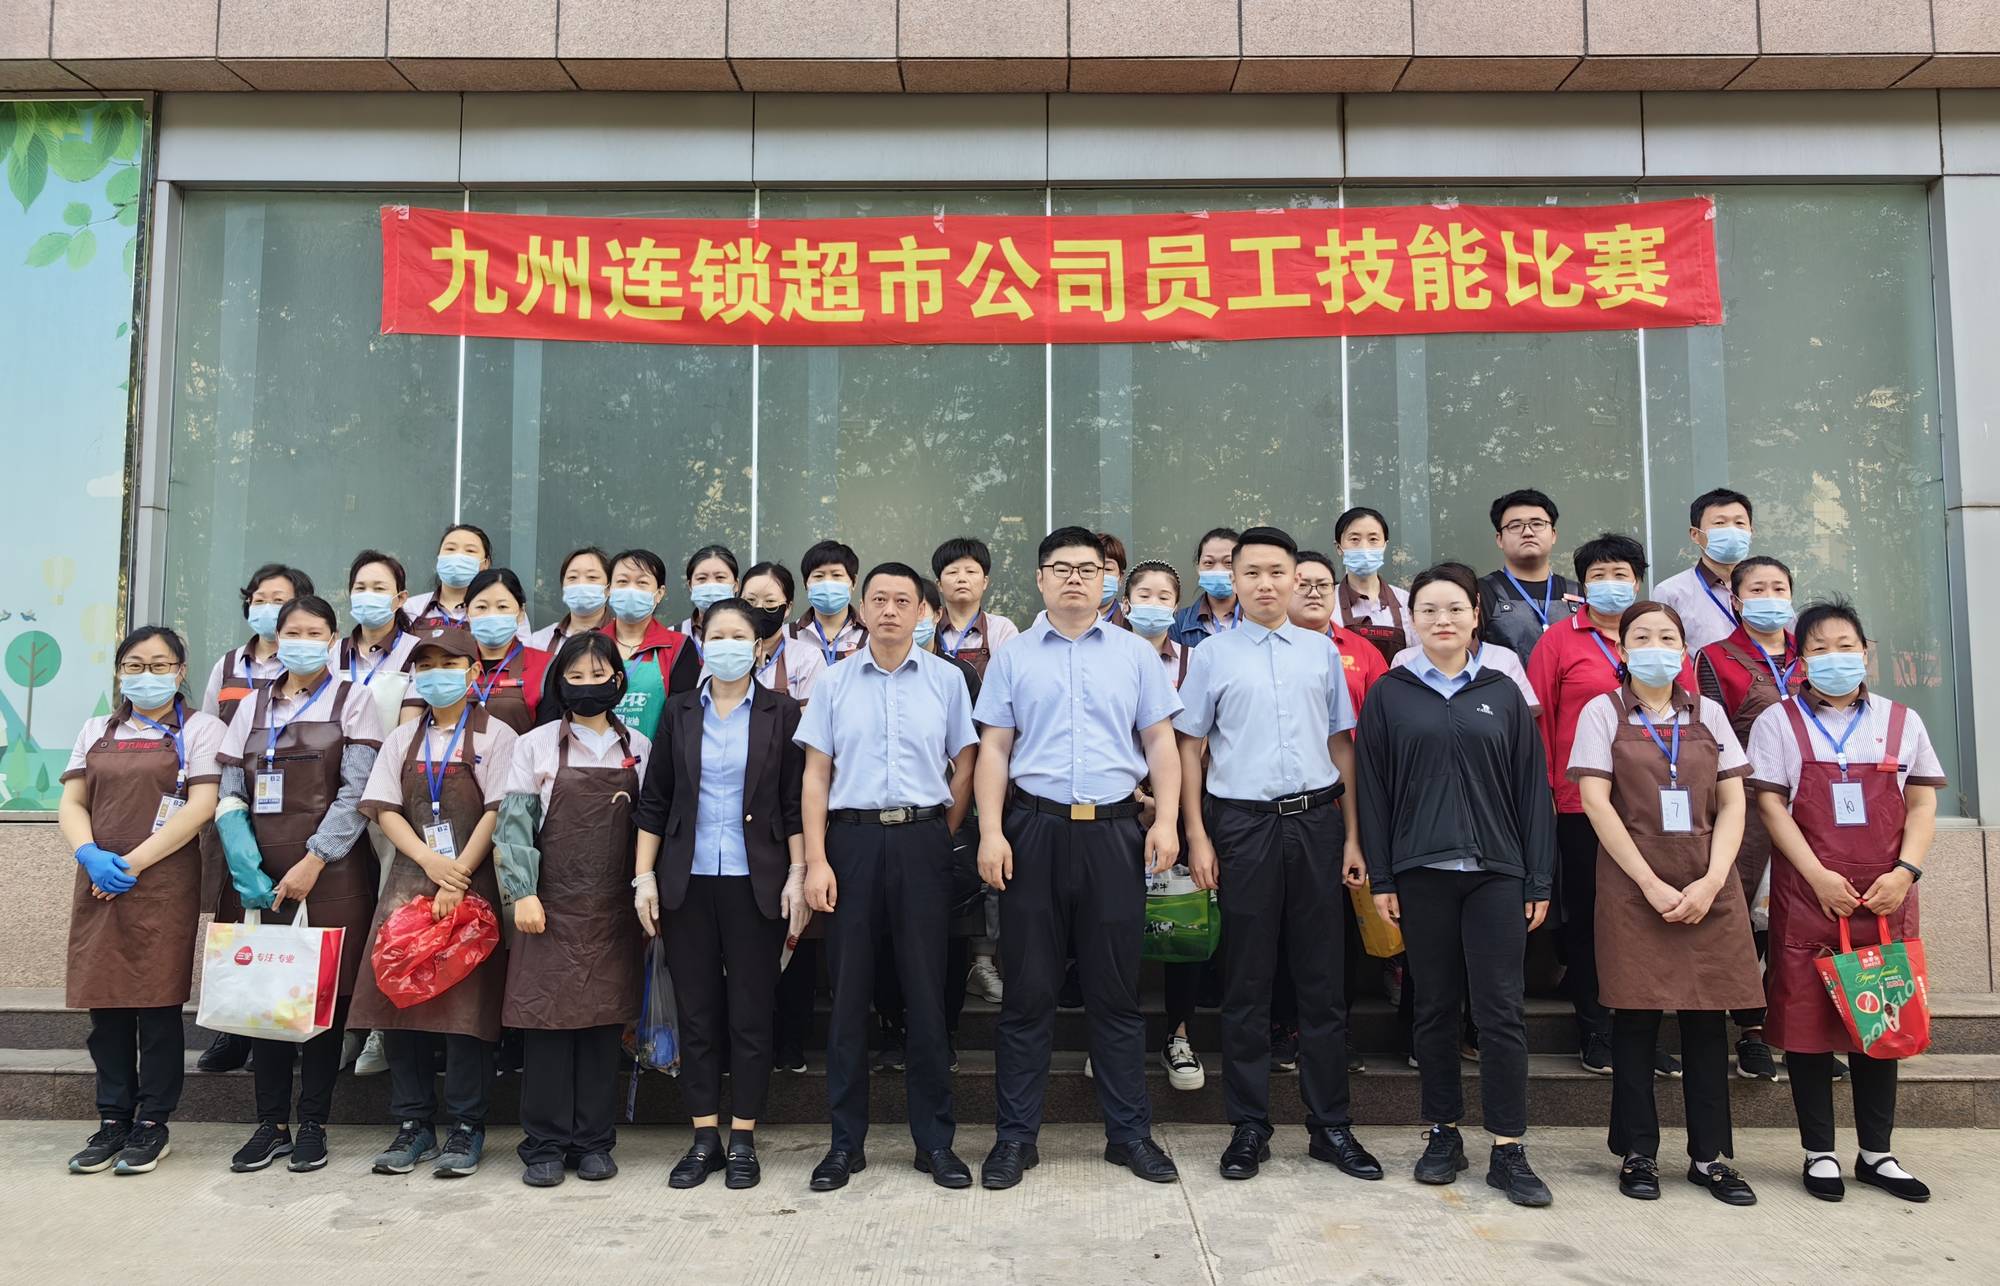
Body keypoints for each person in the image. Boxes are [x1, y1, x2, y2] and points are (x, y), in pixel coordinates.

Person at [974, 528, 1184, 1190]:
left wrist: (1168, 821)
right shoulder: (1012, 657)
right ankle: (1015, 1139)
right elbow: (995, 749)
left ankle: (1129, 1136)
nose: (1074, 578)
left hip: (1114, 835)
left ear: (1106, 581)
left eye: (1087, 569)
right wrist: (990, 832)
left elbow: (1161, 743)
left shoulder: (1135, 654)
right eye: (1060, 568)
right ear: (1040, 579)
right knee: (1028, 994)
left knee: (1115, 993)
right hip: (1033, 832)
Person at [1174, 526, 1379, 1185]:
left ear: (1296, 579)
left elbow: (1342, 745)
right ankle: (1249, 1126)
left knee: (1322, 981)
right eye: (1252, 573)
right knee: (1248, 981)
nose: (1265, 584)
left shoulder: (1320, 653)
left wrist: (1353, 836)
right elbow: (1189, 749)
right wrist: (1197, 835)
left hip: (1317, 822)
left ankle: (1331, 1125)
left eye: (1277, 572)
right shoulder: (1211, 656)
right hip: (1243, 827)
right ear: (1233, 580)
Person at [1355, 563, 1556, 1207]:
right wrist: (1383, 875)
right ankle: (1443, 1133)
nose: (1442, 620)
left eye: (1454, 609)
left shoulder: (1502, 689)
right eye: (1428, 610)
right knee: (1435, 1007)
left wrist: (1538, 877)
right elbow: (1373, 791)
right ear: (1412, 620)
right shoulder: (1391, 693)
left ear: (1475, 615)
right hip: (1422, 872)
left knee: (1500, 1012)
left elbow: (1532, 790)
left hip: (1498, 874)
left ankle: (1508, 1147)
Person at [1747, 599, 1945, 1203]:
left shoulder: (1901, 721)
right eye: (1819, 649)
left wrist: (1906, 873)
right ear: (1801, 660)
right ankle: (1819, 1153)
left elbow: (1922, 803)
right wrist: (1817, 876)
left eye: (1846, 646)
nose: (1835, 657)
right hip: (1810, 896)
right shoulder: (1778, 721)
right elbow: (1770, 804)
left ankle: (1877, 1154)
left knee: (1880, 1021)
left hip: (1886, 895)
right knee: (1807, 1027)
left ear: (1866, 653)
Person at [1571, 601, 1763, 1206]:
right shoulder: (1602, 712)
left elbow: (1734, 802)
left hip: (1710, 883)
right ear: (1622, 650)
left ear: (1683, 650)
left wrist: (1713, 880)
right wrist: (1650, 884)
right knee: (1636, 1021)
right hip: (1633, 888)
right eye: (1642, 637)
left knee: (1707, 1023)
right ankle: (1638, 1153)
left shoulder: (1708, 712)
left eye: (1667, 637)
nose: (1655, 646)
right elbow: (1595, 803)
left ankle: (1710, 1157)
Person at [796, 562, 978, 1192]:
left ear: (923, 610)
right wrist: (817, 859)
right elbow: (816, 775)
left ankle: (936, 1144)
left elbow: (965, 763)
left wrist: (941, 832)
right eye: (879, 599)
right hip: (850, 842)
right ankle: (845, 1145)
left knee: (926, 994)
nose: (891, 610)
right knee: (849, 996)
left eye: (904, 600)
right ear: (863, 607)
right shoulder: (834, 681)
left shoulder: (947, 680)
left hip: (923, 840)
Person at [634, 599, 808, 1192]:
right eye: (717, 635)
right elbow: (655, 800)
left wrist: (798, 873)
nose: (727, 645)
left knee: (751, 1015)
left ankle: (744, 1139)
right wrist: (644, 876)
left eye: (739, 636)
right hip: (686, 882)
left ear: (758, 647)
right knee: (698, 1014)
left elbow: (793, 801)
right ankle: (703, 1136)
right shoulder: (680, 709)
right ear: (701, 642)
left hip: (757, 882)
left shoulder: (783, 711)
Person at [214, 595, 383, 1174]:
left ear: (333, 640)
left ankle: (313, 1122)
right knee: (266, 1001)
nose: (302, 642)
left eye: (315, 633)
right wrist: (244, 862)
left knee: (321, 1004)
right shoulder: (252, 704)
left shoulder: (353, 700)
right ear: (277, 638)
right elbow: (230, 789)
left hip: (332, 874)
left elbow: (357, 791)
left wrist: (315, 859)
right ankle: (270, 1125)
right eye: (293, 632)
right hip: (259, 874)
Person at [349, 627, 516, 1180]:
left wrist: (458, 873)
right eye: (426, 666)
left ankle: (467, 1125)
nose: (436, 674)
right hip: (408, 885)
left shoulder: (498, 735)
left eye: (449, 664)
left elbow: (498, 810)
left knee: (465, 1013)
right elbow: (384, 808)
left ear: (473, 673)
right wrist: (429, 862)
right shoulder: (402, 738)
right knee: (399, 1006)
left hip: (472, 887)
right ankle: (412, 1123)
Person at [59, 626, 226, 1176]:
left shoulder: (201, 729)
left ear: (180, 671)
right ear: (119, 672)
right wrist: (89, 854)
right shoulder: (95, 729)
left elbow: (201, 806)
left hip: (163, 882)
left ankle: (153, 1121)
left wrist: (130, 864)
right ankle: (112, 1118)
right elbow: (72, 801)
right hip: (98, 881)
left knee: (157, 1007)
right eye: (134, 665)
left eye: (158, 665)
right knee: (105, 1006)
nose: (145, 675)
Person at [1527, 533, 1695, 1076]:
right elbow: (1538, 723)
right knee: (1592, 919)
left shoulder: (1662, 641)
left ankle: (1643, 1033)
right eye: (1598, 576)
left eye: (1620, 574)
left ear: (1638, 581)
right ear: (1582, 584)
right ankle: (1595, 1030)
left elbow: (1691, 721)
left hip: (1655, 808)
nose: (1610, 584)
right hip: (1581, 806)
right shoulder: (1559, 641)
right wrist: (1547, 794)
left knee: (1650, 917)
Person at [495, 632, 653, 1187]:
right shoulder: (534, 745)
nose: (588, 685)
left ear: (618, 681)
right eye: (576, 676)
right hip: (548, 906)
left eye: (599, 675)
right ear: (560, 683)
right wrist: (523, 892)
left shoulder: (640, 746)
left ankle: (594, 1141)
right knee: (547, 1026)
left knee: (602, 1028)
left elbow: (650, 828)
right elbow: (514, 824)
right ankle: (543, 1144)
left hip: (613, 911)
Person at [195, 561, 313, 1074]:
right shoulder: (227, 666)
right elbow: (209, 734)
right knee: (235, 914)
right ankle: (234, 1027)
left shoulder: (313, 664)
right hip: (237, 805)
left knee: (292, 917)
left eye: (278, 600)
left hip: (297, 810)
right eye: (259, 599)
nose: (266, 608)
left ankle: (292, 1017)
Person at [1695, 555, 1806, 1082]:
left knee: (1800, 916)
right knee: (1744, 914)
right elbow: (1709, 736)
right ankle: (1751, 1029)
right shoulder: (1716, 657)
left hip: (1812, 802)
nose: (1769, 597)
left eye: (1778, 587)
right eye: (1757, 589)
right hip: (1748, 798)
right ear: (1736, 601)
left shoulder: (1813, 653)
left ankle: (1802, 1030)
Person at [1123, 560, 1205, 1089]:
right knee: (1114, 927)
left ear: (1177, 607)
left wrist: (1169, 807)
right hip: (1119, 809)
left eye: (1164, 596)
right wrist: (1139, 798)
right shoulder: (1106, 654)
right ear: (1125, 603)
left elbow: (1199, 738)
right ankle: (1117, 1036)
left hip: (1184, 808)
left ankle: (1179, 1034)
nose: (1154, 604)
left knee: (1184, 924)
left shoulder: (1197, 660)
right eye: (1144, 595)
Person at [599, 547, 699, 742]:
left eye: (642, 582)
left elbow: (681, 718)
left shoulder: (678, 647)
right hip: (597, 758)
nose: (631, 589)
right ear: (609, 590)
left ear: (659, 593)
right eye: (622, 582)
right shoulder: (590, 645)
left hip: (655, 756)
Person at [442, 568, 551, 734]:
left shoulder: (547, 666)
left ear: (521, 613)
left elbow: (549, 735)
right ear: (467, 613)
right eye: (481, 607)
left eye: (502, 606)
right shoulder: (449, 665)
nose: (491, 615)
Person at [1479, 489, 1580, 665]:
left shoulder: (1578, 593)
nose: (1527, 532)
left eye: (1537, 523)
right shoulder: (1480, 592)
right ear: (1499, 539)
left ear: (1553, 534)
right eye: (1515, 526)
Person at [1653, 488, 1756, 655]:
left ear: (1751, 532)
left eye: (1739, 523)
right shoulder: (1671, 592)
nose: (1731, 530)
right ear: (1695, 534)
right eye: (1720, 523)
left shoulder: (1770, 588)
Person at [405, 523, 519, 637]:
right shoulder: (410, 608)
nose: (458, 555)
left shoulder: (504, 609)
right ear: (439, 557)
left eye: (470, 551)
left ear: (486, 563)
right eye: (450, 549)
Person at [1332, 506, 1415, 664]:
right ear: (1339, 547)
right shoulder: (1327, 602)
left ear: (1384, 545)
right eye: (1354, 539)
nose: (1364, 547)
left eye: (1373, 539)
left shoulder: (1407, 603)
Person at [740, 560, 828, 707]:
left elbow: (811, 716)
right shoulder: (725, 652)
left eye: (770, 601)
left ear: (787, 608)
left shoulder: (807, 658)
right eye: (750, 600)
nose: (759, 607)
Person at [931, 536, 1019, 679]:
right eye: (953, 572)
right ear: (939, 584)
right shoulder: (926, 628)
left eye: (970, 572)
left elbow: (1010, 680)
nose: (962, 579)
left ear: (985, 582)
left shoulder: (1001, 629)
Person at [336, 549, 418, 694]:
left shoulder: (415, 650)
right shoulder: (336, 652)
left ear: (401, 598)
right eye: (360, 588)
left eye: (379, 588)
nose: (368, 595)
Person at [792, 539, 869, 664]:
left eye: (836, 575)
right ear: (805, 583)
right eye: (818, 576)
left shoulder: (872, 637)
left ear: (854, 582)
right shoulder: (787, 636)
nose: (827, 583)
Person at [526, 546, 612, 652]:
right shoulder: (539, 642)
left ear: (609, 588)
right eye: (572, 577)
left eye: (592, 577)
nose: (581, 584)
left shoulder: (624, 639)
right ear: (563, 587)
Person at [1170, 526, 1241, 646]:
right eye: (1209, 562)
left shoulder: (1258, 617)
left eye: (1228, 562)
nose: (1218, 570)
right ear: (1198, 567)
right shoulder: (1178, 622)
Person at [674, 544, 741, 646]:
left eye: (720, 577)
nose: (711, 585)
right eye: (702, 578)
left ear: (736, 585)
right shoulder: (673, 635)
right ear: (690, 586)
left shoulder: (750, 634)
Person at [1097, 531, 1129, 629]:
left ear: (1121, 577)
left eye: (1108, 569)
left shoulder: (1132, 622)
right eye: (1090, 569)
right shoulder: (1059, 618)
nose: (1100, 576)